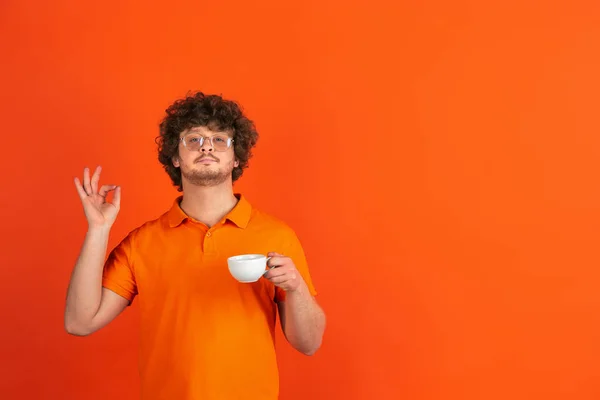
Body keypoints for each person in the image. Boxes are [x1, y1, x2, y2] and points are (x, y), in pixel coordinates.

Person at [64, 91, 326, 400]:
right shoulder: (141, 243)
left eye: (219, 140)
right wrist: (98, 229)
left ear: (236, 156)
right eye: (193, 139)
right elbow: (80, 322)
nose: (206, 146)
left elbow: (308, 343)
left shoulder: (277, 236)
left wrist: (296, 287)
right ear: (175, 157)